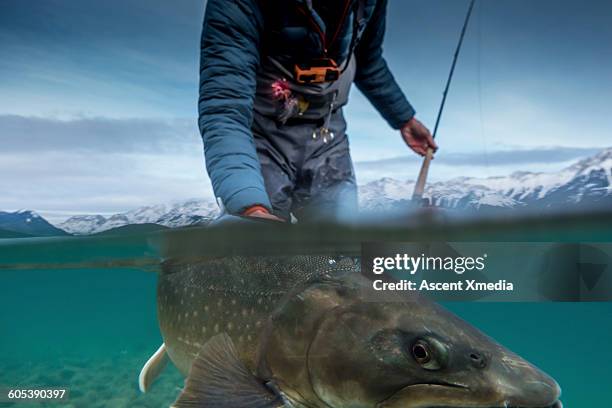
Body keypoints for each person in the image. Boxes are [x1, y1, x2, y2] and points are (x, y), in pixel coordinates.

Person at [198, 0, 437, 222]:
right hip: (261, 138)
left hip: (328, 135)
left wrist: (404, 118)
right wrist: (249, 206)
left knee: (339, 251)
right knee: (263, 254)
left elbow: (367, 59)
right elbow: (224, 105)